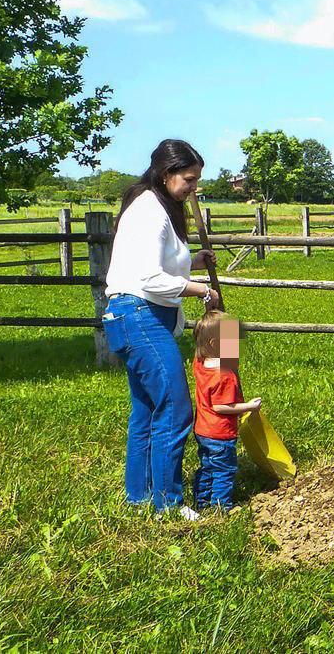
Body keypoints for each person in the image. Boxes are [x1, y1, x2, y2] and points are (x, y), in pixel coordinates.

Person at [101, 140, 220, 519]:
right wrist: (201, 289)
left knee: (147, 410)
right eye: (189, 179)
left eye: (197, 180)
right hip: (140, 317)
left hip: (135, 316)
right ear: (167, 174)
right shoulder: (149, 211)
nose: (193, 188)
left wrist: (193, 261)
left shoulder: (159, 207)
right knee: (175, 408)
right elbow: (149, 278)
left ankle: (139, 498)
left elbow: (159, 267)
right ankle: (168, 504)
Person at [191, 310, 262, 511]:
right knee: (224, 470)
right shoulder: (225, 375)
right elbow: (222, 406)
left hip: (202, 430)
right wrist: (249, 406)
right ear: (215, 344)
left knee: (207, 467)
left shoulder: (200, 364)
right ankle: (221, 507)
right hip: (220, 433)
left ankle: (202, 501)